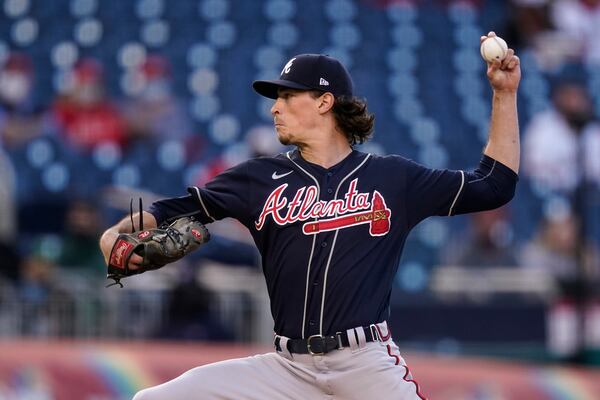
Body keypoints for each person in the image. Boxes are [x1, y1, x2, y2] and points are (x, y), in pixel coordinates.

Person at [100, 32, 521, 399]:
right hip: (287, 369)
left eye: (286, 95)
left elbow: (494, 184)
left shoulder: (393, 178)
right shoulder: (259, 177)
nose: (274, 108)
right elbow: (171, 210)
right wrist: (116, 234)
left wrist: (504, 95)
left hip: (365, 365)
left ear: (324, 101)